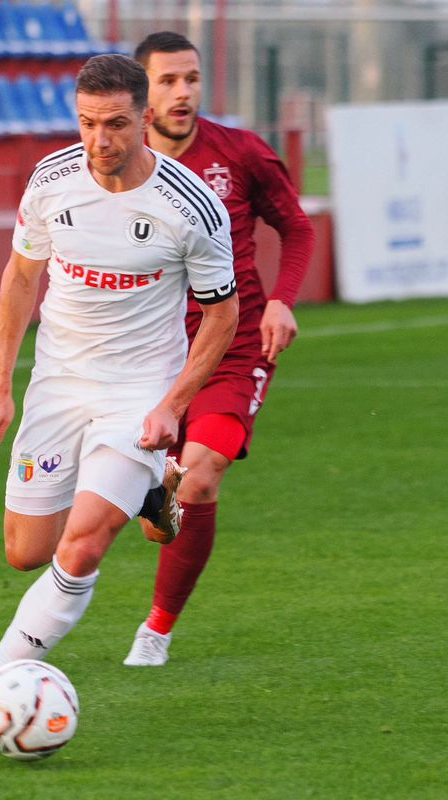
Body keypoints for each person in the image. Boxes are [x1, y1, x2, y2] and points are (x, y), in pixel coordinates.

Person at [0, 53, 238, 725]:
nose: (99, 140)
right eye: (87, 123)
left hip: (138, 393)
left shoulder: (190, 207)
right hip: (58, 383)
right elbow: (21, 277)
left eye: (115, 124)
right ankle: (155, 490)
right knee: (26, 553)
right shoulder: (51, 182)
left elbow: (223, 315)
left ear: (145, 119)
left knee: (81, 544)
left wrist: (172, 405)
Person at [123, 32, 315, 666]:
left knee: (200, 477)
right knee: (154, 515)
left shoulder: (241, 153)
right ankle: (156, 495)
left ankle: (156, 630)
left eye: (192, 78)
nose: (183, 92)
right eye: (168, 81)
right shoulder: (118, 167)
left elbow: (296, 227)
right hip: (150, 353)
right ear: (142, 93)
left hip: (233, 347)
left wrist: (283, 299)